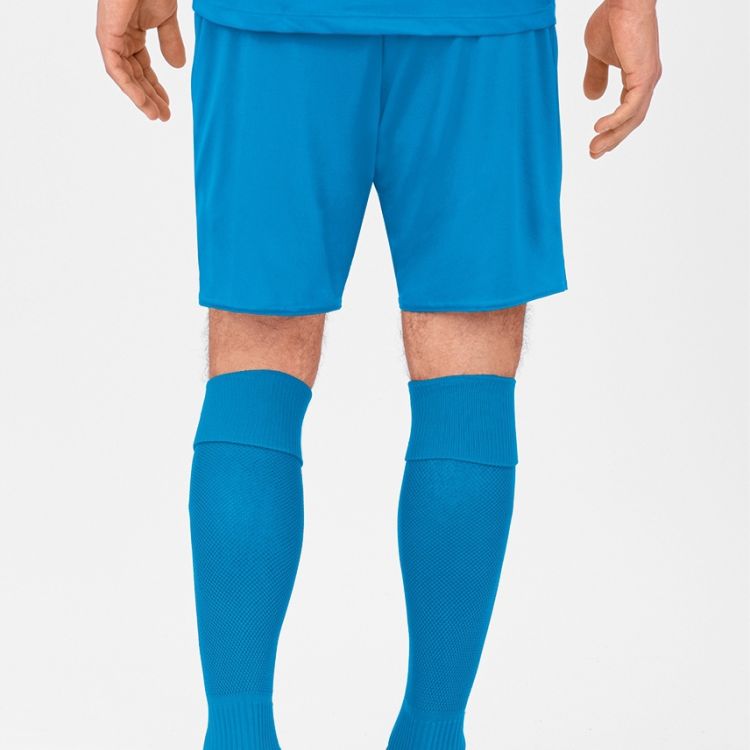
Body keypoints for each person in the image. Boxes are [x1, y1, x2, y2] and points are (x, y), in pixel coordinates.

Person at [96, 0, 661, 747]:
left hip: (274, 22)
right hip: (479, 24)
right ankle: (433, 734)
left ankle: (237, 735)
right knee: (467, 367)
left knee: (257, 359)